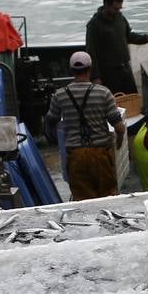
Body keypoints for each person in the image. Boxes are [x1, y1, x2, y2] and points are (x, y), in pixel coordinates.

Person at [44, 51, 126, 200]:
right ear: (90, 69)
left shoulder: (60, 95)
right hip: (100, 154)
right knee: (109, 198)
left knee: (83, 202)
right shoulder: (104, 93)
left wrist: (56, 141)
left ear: (71, 70)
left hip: (75, 156)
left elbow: (50, 122)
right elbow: (119, 128)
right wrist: (119, 142)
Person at [85, 0, 148, 95]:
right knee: (114, 100)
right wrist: (95, 77)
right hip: (108, 72)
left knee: (132, 97)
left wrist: (146, 37)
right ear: (106, 5)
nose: (117, 11)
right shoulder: (94, 25)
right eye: (115, 8)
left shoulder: (120, 18)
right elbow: (91, 52)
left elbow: (128, 36)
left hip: (125, 69)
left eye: (119, 8)